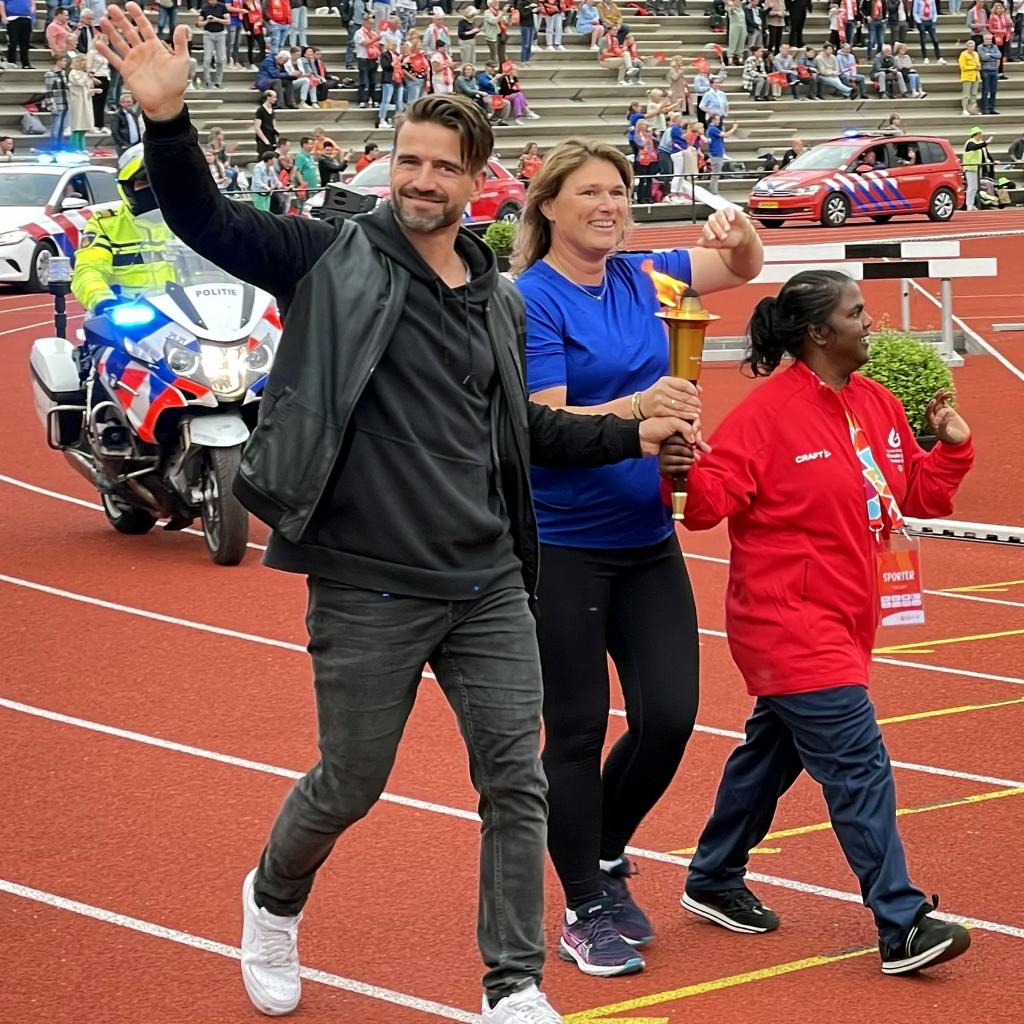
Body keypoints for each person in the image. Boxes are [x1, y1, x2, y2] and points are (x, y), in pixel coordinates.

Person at [95, 9, 697, 1022]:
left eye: (441, 166)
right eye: (408, 161)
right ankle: (273, 898)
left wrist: (628, 428)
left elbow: (531, 438)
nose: (420, 179)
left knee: (517, 781)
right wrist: (168, 120)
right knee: (349, 781)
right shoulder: (330, 257)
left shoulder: (497, 302)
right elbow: (208, 221)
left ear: (476, 183)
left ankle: (511, 985)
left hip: (488, 582)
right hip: (368, 580)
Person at [661, 269, 974, 976]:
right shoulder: (767, 416)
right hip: (784, 620)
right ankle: (902, 921)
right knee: (859, 763)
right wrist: (678, 463)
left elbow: (913, 492)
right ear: (817, 333)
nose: (871, 323)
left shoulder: (878, 405)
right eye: (857, 312)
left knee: (772, 753)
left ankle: (713, 876)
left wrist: (951, 446)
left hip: (846, 615)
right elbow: (707, 507)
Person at [512, 138, 763, 976]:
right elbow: (546, 423)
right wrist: (644, 406)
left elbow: (740, 267)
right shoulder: (532, 300)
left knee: (670, 719)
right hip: (565, 547)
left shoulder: (647, 273)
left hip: (647, 538)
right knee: (577, 732)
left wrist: (738, 231)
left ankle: (606, 854)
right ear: (549, 206)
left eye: (619, 191)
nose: (610, 205)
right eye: (591, 193)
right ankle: (583, 905)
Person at [71, 143, 176, 314]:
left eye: (159, 181)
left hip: (185, 315)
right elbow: (88, 270)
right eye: (143, 182)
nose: (153, 189)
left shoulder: (191, 221)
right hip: (126, 314)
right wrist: (103, 301)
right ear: (127, 188)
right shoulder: (105, 223)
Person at [963, 125, 993, 209]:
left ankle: (971, 204)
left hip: (977, 168)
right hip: (970, 167)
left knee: (975, 187)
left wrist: (992, 161)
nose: (981, 135)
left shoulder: (980, 143)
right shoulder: (970, 142)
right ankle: (969, 204)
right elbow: (974, 147)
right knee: (971, 187)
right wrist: (986, 143)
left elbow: (986, 154)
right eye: (980, 134)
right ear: (975, 134)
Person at [959, 38, 981, 115]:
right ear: (967, 47)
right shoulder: (963, 54)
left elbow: (978, 64)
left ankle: (973, 109)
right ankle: (964, 109)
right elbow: (963, 67)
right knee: (966, 94)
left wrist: (978, 67)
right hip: (967, 77)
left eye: (973, 46)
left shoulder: (976, 54)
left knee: (974, 94)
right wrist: (974, 67)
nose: (972, 48)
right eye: (970, 46)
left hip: (976, 76)